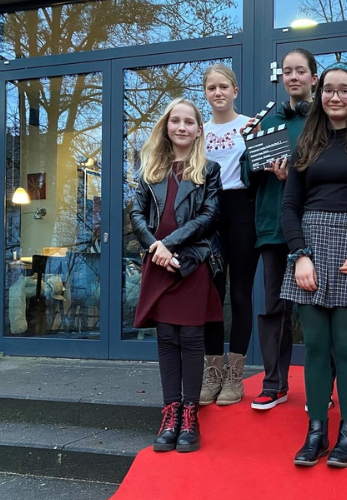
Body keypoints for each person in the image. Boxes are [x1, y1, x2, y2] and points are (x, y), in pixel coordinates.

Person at [280, 61, 347, 468]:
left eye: (344, 90)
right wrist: (300, 254)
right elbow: (289, 206)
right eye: (328, 90)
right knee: (315, 348)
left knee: (345, 347)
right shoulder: (306, 144)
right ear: (319, 93)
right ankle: (316, 431)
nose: (335, 97)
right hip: (309, 247)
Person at [130, 98, 223, 453]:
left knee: (191, 339)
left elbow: (210, 217)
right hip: (158, 263)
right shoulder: (150, 169)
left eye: (189, 122)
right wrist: (156, 248)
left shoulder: (209, 170)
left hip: (191, 262)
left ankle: (189, 414)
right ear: (166, 126)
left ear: (199, 130)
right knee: (166, 337)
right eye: (175, 121)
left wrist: (168, 244)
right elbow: (137, 214)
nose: (182, 127)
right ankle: (170, 413)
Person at [241, 49, 319, 410]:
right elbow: (245, 175)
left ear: (313, 78)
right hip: (273, 227)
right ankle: (274, 383)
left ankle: (322, 386)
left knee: (318, 308)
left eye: (300, 71)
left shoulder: (326, 119)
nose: (293, 77)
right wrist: (259, 163)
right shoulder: (264, 120)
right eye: (287, 71)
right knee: (274, 309)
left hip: (316, 227)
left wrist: (298, 176)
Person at [199, 63, 256, 407]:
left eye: (224, 87)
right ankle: (212, 374)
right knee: (211, 295)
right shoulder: (197, 131)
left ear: (235, 90)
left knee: (240, 295)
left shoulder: (250, 125)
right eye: (211, 88)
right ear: (205, 94)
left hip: (242, 209)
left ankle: (235, 376)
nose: (218, 93)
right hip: (209, 211)